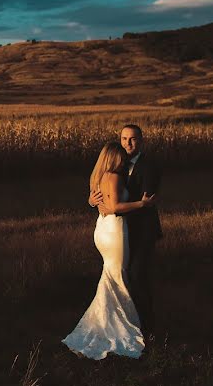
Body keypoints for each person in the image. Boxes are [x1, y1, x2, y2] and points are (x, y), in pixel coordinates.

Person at [62, 141, 155, 359]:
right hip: (114, 230)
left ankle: (107, 320)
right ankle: (118, 326)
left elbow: (101, 202)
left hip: (103, 229)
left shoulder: (98, 176)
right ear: (114, 158)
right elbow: (114, 207)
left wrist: (92, 202)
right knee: (118, 276)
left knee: (111, 276)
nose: (123, 160)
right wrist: (142, 204)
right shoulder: (113, 176)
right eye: (121, 157)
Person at [89, 124, 162, 342]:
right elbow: (107, 198)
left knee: (137, 276)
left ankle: (147, 327)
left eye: (132, 139)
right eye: (123, 139)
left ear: (141, 140)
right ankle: (124, 324)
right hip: (117, 230)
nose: (128, 143)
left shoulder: (149, 166)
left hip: (141, 231)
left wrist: (117, 206)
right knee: (123, 275)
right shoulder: (116, 168)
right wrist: (92, 201)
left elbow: (148, 201)